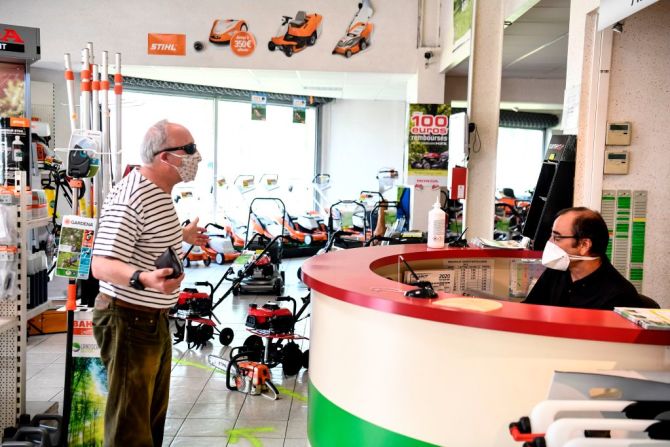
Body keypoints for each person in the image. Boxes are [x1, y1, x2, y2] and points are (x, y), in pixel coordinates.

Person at [90, 119, 208, 447]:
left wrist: (184, 236)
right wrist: (144, 279)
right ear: (164, 157)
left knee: (151, 415)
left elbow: (148, 239)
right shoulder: (133, 196)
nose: (196, 156)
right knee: (130, 423)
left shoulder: (160, 194)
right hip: (128, 319)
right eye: (189, 149)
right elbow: (100, 264)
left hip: (152, 320)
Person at [523, 206, 643, 310]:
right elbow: (529, 309)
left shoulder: (619, 295)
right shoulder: (557, 270)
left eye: (557, 237)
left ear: (584, 245)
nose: (549, 242)